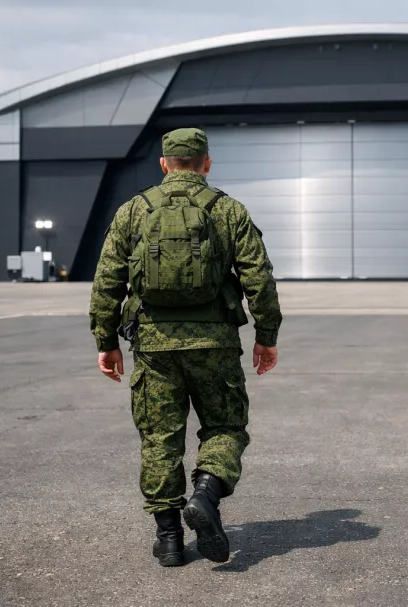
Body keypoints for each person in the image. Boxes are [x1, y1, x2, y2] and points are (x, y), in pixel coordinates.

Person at [89, 128, 282, 567]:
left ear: (164, 164)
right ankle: (207, 492)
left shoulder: (134, 211)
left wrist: (106, 342)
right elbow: (259, 279)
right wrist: (266, 337)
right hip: (214, 343)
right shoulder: (228, 210)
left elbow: (106, 283)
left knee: (159, 438)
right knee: (226, 427)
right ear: (206, 163)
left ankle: (170, 539)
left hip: (154, 345)